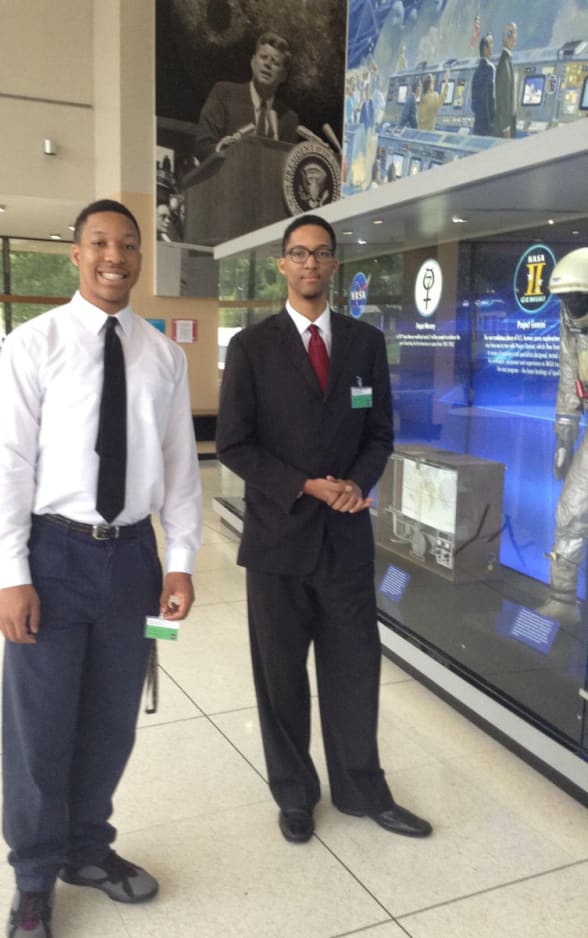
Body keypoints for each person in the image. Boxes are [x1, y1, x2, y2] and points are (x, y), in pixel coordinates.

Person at [0, 198, 203, 938]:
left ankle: (86, 849)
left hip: (132, 559)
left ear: (140, 257)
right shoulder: (34, 344)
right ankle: (34, 877)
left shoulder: (164, 356)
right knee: (41, 726)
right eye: (100, 243)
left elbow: (180, 468)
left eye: (128, 244)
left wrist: (180, 560)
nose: (115, 256)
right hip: (53, 554)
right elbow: (7, 465)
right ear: (76, 255)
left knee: (112, 721)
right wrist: (12, 574)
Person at [216, 214, 432, 845]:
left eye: (320, 253)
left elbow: (380, 431)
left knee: (355, 670)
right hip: (278, 541)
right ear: (282, 264)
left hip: (345, 538)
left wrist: (358, 483)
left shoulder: (365, 343)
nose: (309, 262)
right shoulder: (252, 347)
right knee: (280, 678)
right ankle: (294, 794)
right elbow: (234, 445)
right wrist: (306, 485)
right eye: (298, 253)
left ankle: (363, 790)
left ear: (334, 264)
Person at [538, 247, 588, 627]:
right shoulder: (572, 323)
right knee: (571, 509)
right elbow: (570, 374)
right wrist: (564, 439)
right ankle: (563, 598)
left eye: (578, 297)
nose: (572, 305)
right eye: (567, 299)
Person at [195, 31, 298, 162]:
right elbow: (203, 145)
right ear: (252, 62)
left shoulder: (289, 119)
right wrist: (223, 151)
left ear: (283, 75)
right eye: (263, 57)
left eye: (275, 62)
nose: (267, 64)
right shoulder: (224, 94)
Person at [494, 22, 518, 138]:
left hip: (510, 122)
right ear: (508, 36)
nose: (516, 37)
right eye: (514, 33)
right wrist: (505, 127)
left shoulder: (507, 60)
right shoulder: (504, 63)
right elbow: (501, 97)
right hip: (506, 126)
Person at [471, 34, 495, 136]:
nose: (493, 46)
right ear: (485, 48)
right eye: (491, 44)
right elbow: (489, 97)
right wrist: (492, 121)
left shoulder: (477, 71)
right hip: (486, 122)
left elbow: (474, 99)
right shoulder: (489, 68)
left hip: (478, 122)